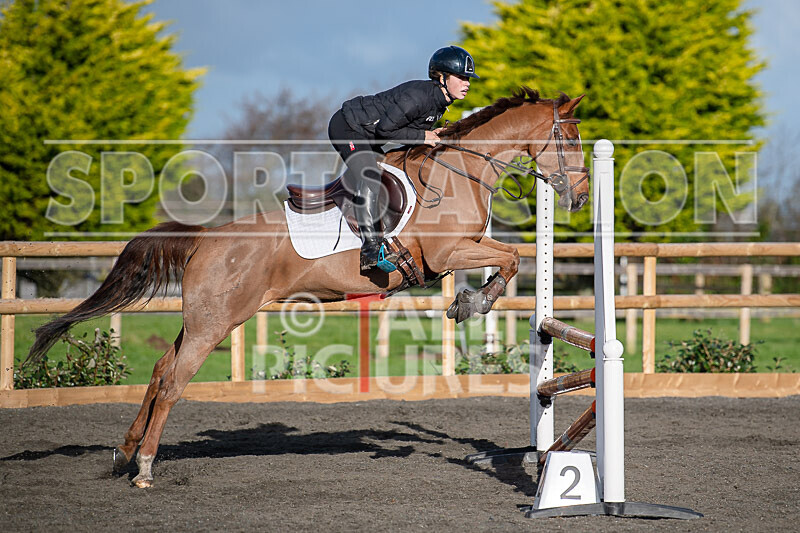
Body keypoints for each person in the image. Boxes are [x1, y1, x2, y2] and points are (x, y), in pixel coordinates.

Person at [328, 45, 478, 272]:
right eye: (461, 77)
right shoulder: (419, 96)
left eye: (468, 78)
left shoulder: (440, 103)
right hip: (348, 127)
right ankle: (370, 250)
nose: (467, 83)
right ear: (442, 77)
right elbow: (385, 131)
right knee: (371, 177)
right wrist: (423, 136)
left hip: (370, 135)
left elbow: (405, 135)